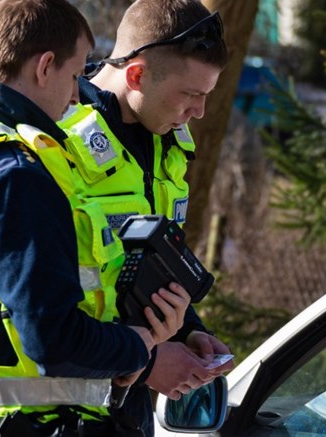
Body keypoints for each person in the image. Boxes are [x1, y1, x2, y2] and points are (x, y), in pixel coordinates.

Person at [0, 0, 190, 435]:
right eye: (75, 75)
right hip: (42, 425)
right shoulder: (18, 176)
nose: (78, 94)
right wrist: (140, 347)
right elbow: (52, 338)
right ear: (44, 68)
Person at [57, 1, 232, 434]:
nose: (200, 112)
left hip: (126, 415)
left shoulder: (165, 139)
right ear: (136, 74)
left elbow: (139, 266)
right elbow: (37, 306)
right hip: (61, 414)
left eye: (207, 95)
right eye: (191, 94)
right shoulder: (56, 140)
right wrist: (149, 359)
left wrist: (187, 331)